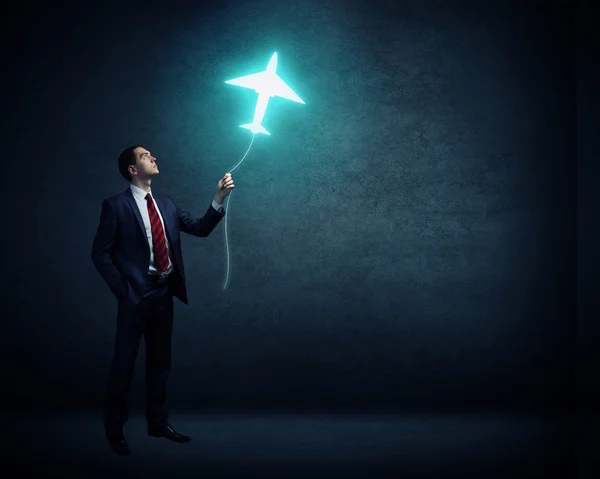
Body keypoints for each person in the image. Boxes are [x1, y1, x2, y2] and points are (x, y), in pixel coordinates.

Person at [91, 145, 234, 455]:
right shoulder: (115, 206)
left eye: (152, 154)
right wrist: (123, 289)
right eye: (145, 156)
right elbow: (99, 253)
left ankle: (158, 423)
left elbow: (199, 228)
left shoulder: (166, 204)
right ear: (132, 169)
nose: (153, 158)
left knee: (160, 363)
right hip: (135, 297)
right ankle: (115, 431)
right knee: (124, 365)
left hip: (164, 295)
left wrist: (218, 198)